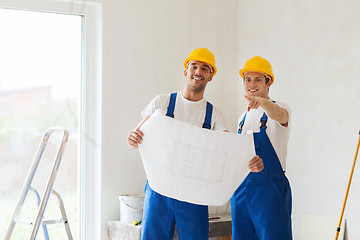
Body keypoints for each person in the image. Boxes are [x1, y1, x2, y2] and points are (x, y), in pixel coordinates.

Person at [127, 48, 264, 240]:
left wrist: (250, 162)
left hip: (195, 193)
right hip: (159, 188)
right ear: (186, 71)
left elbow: (228, 150)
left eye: (205, 68)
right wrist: (133, 139)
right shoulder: (162, 103)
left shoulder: (215, 115)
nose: (198, 72)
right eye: (194, 66)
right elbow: (137, 139)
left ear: (210, 76)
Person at [230, 56, 292, 240]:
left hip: (269, 190)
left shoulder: (279, 108)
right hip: (241, 190)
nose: (252, 84)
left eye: (258, 79)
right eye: (248, 79)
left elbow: (279, 115)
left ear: (268, 82)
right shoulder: (242, 118)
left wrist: (262, 102)